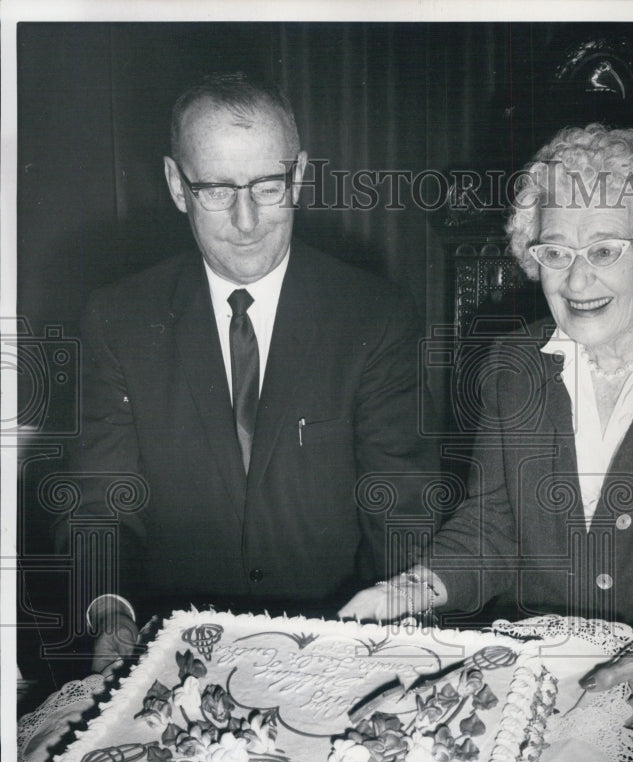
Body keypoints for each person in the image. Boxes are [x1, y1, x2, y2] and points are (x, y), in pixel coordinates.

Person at [340, 123, 633, 727]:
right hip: (529, 689)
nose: (575, 280)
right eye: (555, 252)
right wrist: (412, 589)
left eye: (603, 250)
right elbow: (490, 529)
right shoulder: (512, 368)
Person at [63, 72, 438, 672]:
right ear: (175, 185)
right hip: (167, 652)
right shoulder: (117, 319)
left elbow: (401, 504)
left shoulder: (375, 314)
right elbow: (100, 503)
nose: (245, 219)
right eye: (215, 188)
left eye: (267, 185)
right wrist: (110, 610)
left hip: (334, 646)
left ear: (301, 174)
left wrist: (391, 628)